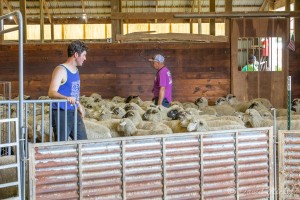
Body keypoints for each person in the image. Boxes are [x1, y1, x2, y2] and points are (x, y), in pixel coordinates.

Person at [48, 40, 88, 141]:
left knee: (83, 142)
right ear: (76, 55)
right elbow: (51, 92)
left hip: (73, 111)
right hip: (60, 113)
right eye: (83, 55)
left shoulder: (76, 70)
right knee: (62, 144)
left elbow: (73, 92)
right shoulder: (61, 70)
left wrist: (78, 105)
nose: (85, 58)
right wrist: (66, 98)